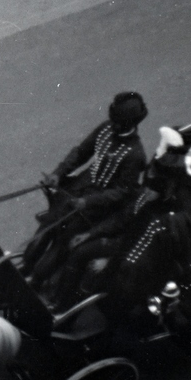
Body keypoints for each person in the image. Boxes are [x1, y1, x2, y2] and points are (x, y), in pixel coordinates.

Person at [23, 92, 150, 285]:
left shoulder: (135, 154)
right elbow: (81, 152)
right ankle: (26, 265)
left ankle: (37, 279)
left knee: (64, 240)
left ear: (129, 123)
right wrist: (59, 173)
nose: (112, 124)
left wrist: (87, 202)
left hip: (96, 208)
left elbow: (122, 192)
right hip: (76, 190)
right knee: (47, 225)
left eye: (117, 122)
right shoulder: (106, 129)